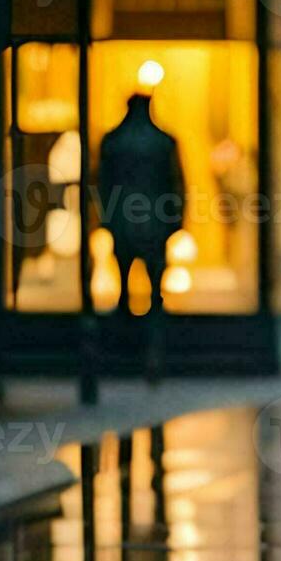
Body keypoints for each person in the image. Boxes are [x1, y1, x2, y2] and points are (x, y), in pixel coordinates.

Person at [98, 94, 184, 379]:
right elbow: (176, 186)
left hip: (124, 223)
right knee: (154, 294)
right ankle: (152, 354)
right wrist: (174, 223)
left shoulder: (113, 142)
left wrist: (107, 222)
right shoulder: (163, 143)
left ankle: (125, 356)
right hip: (154, 226)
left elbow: (103, 187)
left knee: (124, 292)